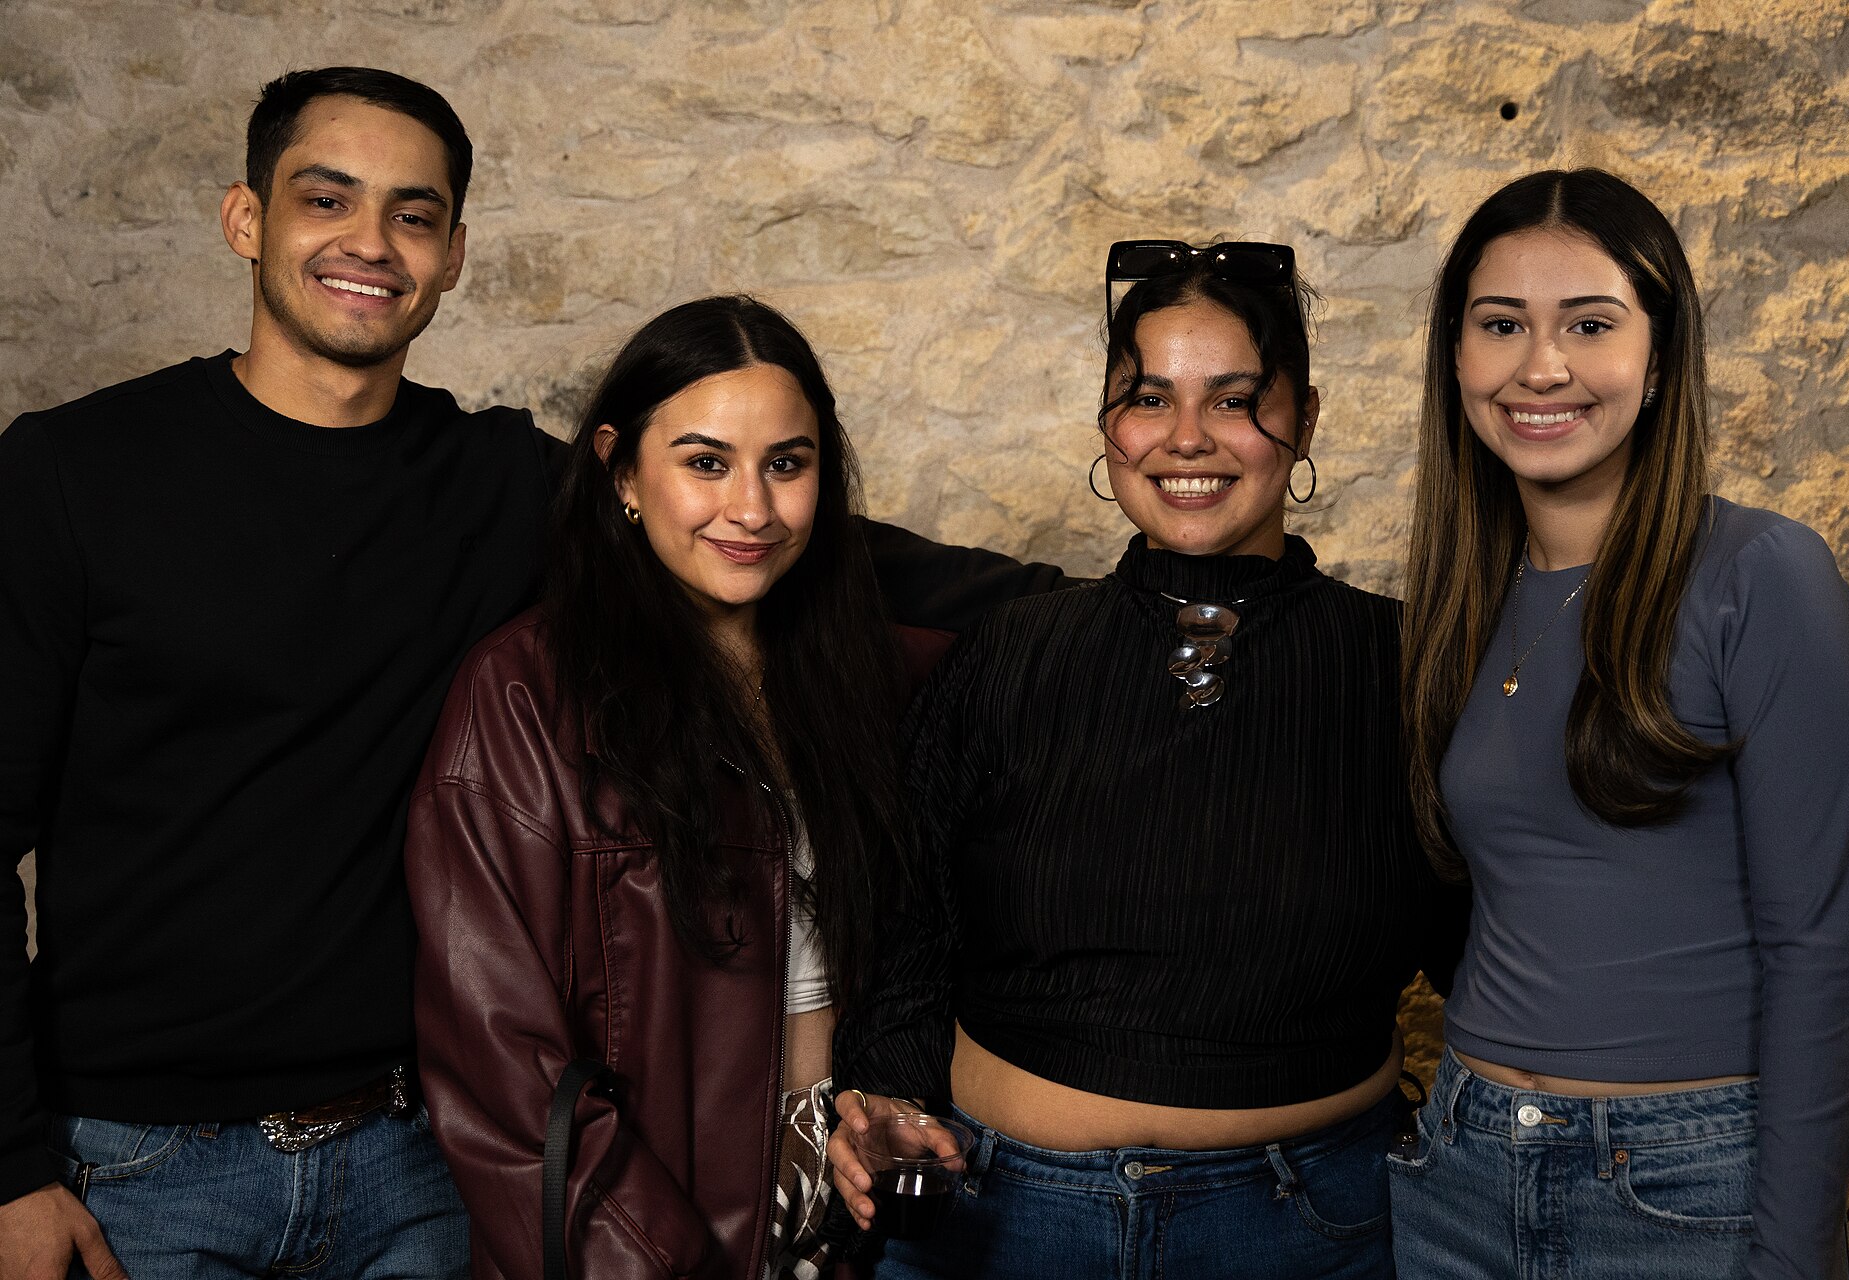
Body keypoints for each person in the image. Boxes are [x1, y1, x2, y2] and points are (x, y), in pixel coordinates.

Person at [0, 67, 1058, 1280]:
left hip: (413, 1163)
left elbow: (762, 537)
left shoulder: (498, 483)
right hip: (142, 1162)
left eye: (413, 214)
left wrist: (1115, 593)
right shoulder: (73, 475)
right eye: (326, 199)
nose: (370, 242)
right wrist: (8, 1165)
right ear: (246, 218)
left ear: (453, 254)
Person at [827, 240, 1467, 1279]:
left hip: (1302, 1233)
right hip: (995, 1224)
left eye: (1234, 400)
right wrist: (886, 1100)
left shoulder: (1408, 667)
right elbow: (905, 922)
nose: (1186, 438)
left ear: (1306, 418)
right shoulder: (1009, 652)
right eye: (1149, 398)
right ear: (1108, 426)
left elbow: (1497, 953)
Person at [1390, 169, 1849, 1280]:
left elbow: (1824, 950)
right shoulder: (1461, 603)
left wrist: (1794, 1258)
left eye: (1590, 324)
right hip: (1462, 1169)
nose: (1541, 367)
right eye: (1501, 324)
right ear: (1456, 359)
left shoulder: (1763, 575)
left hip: (1678, 1184)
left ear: (1659, 360)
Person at [407, 295, 950, 1280]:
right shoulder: (527, 696)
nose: (752, 509)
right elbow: (504, 1070)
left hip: (860, 1216)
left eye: (786, 464)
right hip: (653, 1225)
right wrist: (656, 1262)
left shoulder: (878, 677)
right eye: (705, 463)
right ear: (621, 470)